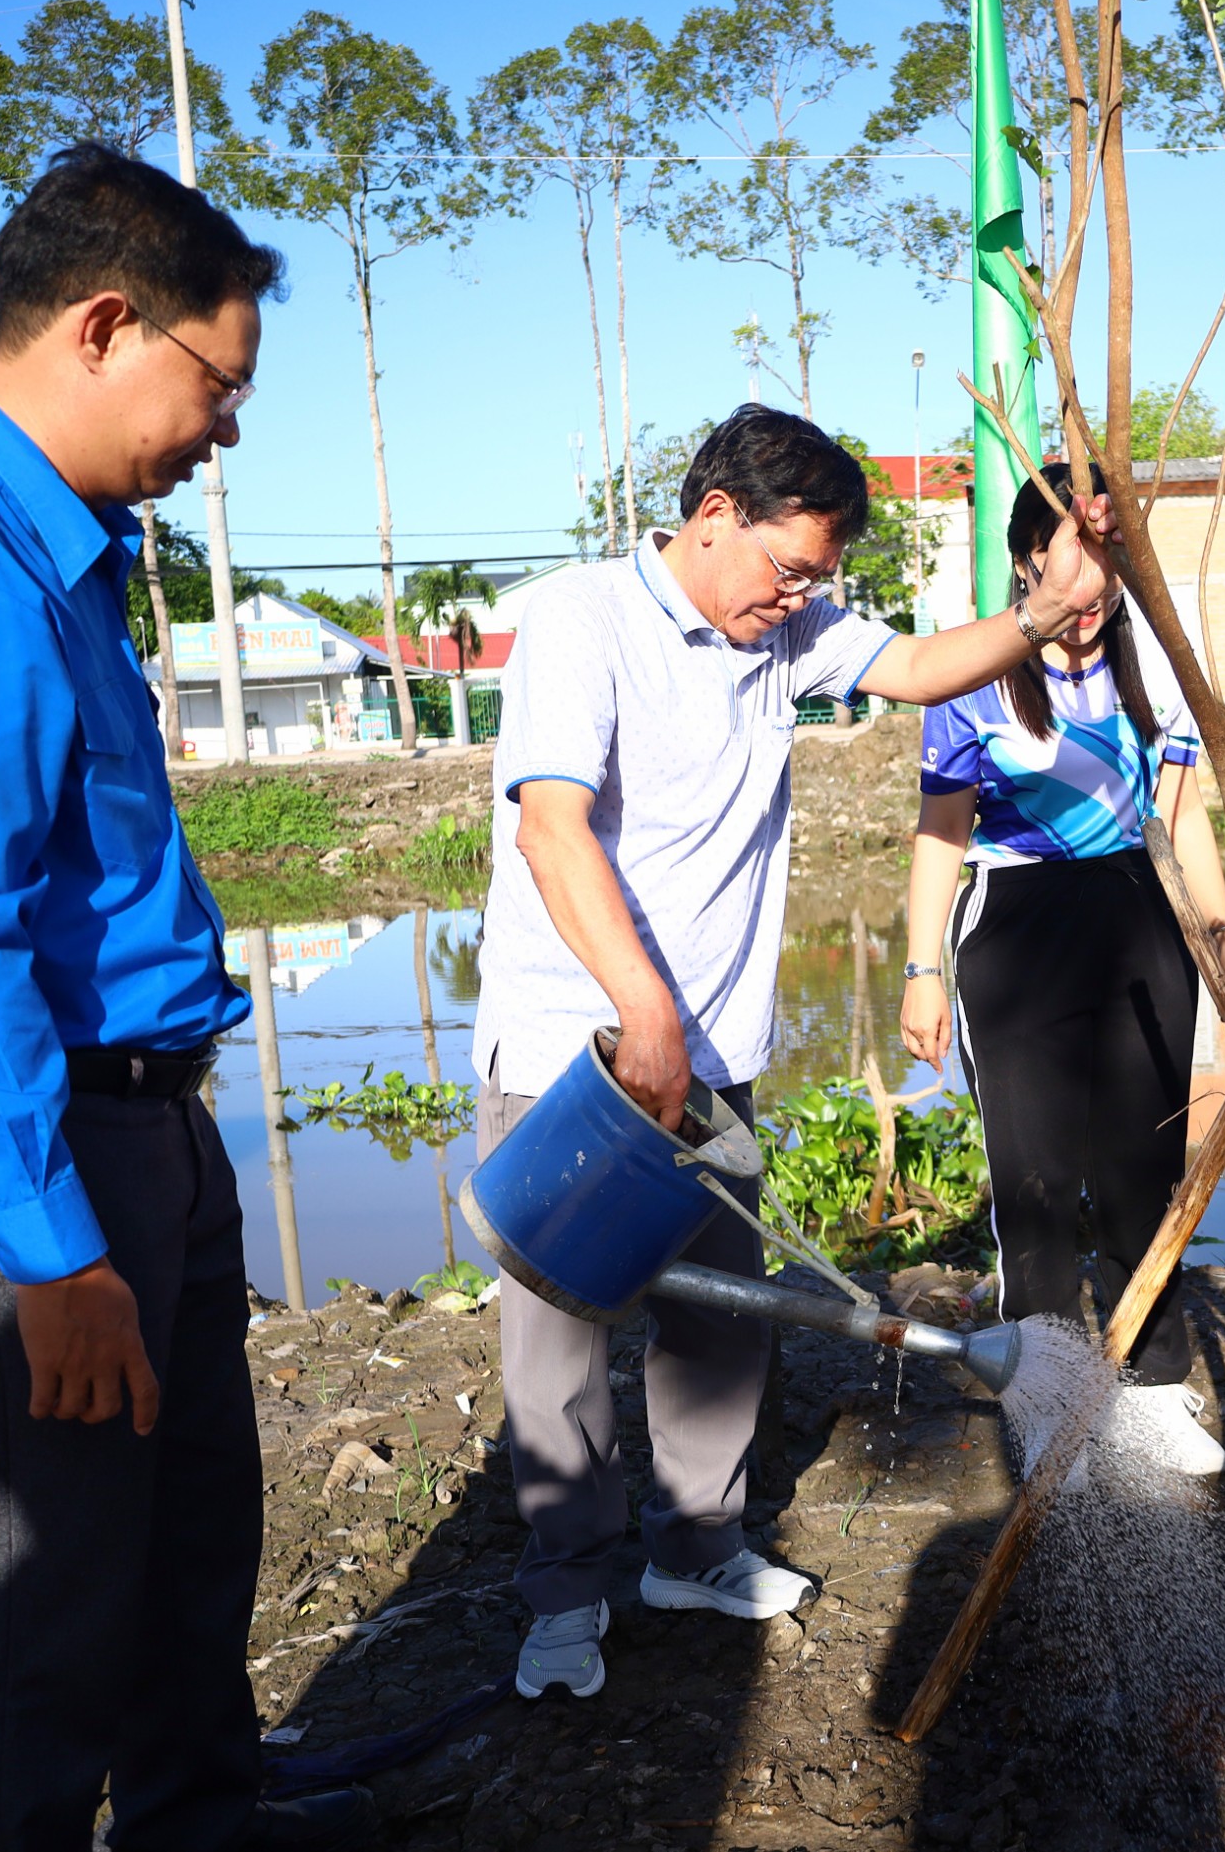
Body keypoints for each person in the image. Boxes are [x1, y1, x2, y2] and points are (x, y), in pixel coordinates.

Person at [0, 146, 373, 1849]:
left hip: (132, 1123)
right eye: (220, 386)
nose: (227, 432)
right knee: (35, 1614)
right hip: (11, 1157)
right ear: (109, 325)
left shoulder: (57, 551)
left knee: (185, 1550)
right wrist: (53, 1252)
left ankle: (200, 1818)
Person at [472, 405, 1115, 1700]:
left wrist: (1046, 614)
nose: (802, 597)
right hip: (576, 1049)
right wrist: (641, 1014)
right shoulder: (580, 619)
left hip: (708, 1050)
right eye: (789, 569)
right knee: (559, 1342)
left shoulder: (793, 626)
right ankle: (565, 1593)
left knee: (716, 1321)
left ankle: (695, 1548)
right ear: (715, 519)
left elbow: (930, 666)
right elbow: (553, 830)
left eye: (820, 577)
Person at [898, 463, 1225, 1476]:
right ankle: (1046, 1400)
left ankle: (1153, 1385)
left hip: (1139, 916)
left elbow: (1180, 816)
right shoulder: (969, 675)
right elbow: (939, 834)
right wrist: (920, 967)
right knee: (1034, 1179)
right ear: (1024, 564)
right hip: (1015, 925)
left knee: (1145, 1169)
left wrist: (1222, 936)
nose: (1084, 608)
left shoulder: (1159, 671)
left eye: (1104, 585)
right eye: (1066, 582)